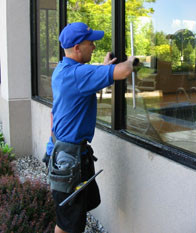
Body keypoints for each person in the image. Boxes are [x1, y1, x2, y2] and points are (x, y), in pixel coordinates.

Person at [43, 22, 136, 233]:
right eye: (90, 42)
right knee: (68, 224)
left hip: (63, 154)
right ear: (77, 47)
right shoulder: (78, 75)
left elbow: (81, 83)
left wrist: (103, 68)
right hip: (70, 161)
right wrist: (133, 60)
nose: (94, 47)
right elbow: (123, 72)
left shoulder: (63, 70)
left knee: (72, 216)